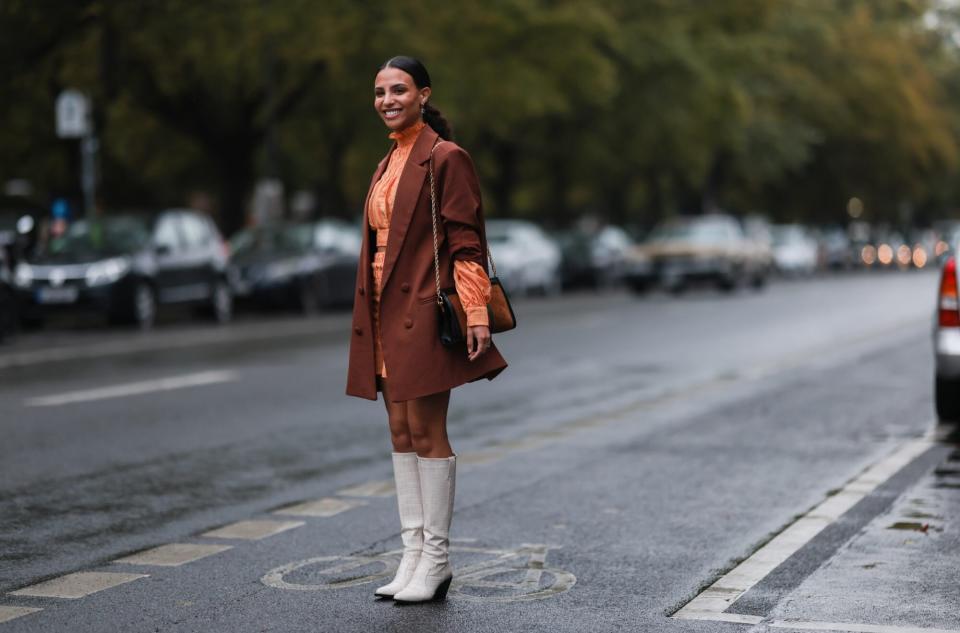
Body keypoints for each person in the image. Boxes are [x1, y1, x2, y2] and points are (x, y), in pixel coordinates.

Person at [346, 56, 507, 603]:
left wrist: (477, 312)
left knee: (427, 431)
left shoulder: (446, 157)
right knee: (399, 434)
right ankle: (411, 554)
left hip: (420, 309)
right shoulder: (387, 160)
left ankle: (436, 560)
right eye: (379, 92)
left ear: (422, 95)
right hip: (379, 314)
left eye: (398, 90)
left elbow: (466, 242)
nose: (387, 100)